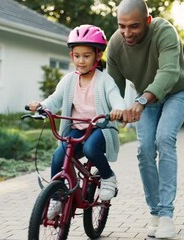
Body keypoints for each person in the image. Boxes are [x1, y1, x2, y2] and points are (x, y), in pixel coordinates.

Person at [106, 0, 184, 238]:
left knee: (164, 139)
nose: (127, 33)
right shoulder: (115, 45)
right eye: (122, 26)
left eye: (133, 26)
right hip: (144, 98)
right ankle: (155, 212)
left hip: (175, 92)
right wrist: (116, 108)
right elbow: (112, 86)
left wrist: (141, 101)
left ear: (147, 20)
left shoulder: (164, 31)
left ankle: (166, 216)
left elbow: (169, 72)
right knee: (144, 149)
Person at [28, 24, 126, 218]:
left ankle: (108, 177)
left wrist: (119, 109)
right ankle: (57, 197)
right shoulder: (68, 80)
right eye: (77, 55)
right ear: (72, 56)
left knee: (90, 149)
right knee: (58, 156)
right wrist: (41, 106)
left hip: (100, 128)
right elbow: (54, 99)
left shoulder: (104, 81)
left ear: (97, 56)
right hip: (76, 128)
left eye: (87, 56)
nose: (81, 60)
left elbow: (116, 98)